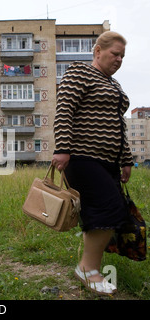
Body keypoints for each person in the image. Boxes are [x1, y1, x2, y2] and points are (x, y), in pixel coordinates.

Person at [52, 31, 133, 296]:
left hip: (108, 161)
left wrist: (126, 159)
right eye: (114, 54)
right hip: (83, 157)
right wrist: (62, 148)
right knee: (110, 208)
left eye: (122, 55)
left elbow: (119, 126)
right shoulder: (80, 73)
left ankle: (89, 266)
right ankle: (88, 270)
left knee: (100, 213)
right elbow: (64, 109)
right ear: (98, 51)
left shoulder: (115, 84)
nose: (119, 59)